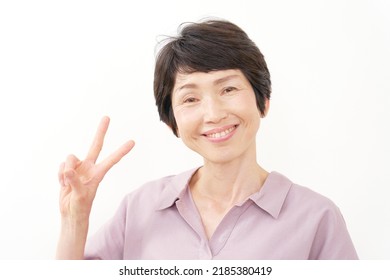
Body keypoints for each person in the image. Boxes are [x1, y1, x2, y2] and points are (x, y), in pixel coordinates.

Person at [56, 19, 358, 259]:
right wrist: (74, 219)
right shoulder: (140, 208)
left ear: (263, 100)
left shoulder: (317, 217)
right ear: (171, 121)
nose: (212, 114)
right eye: (190, 99)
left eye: (228, 89)